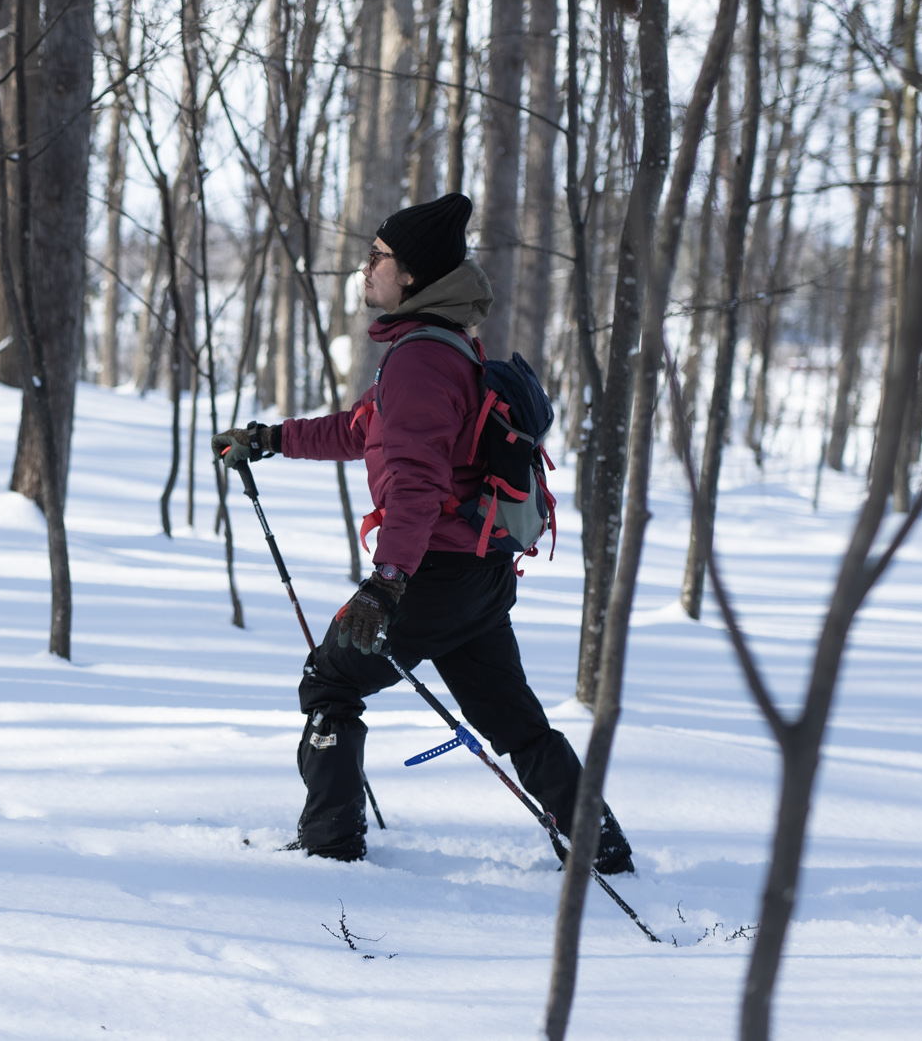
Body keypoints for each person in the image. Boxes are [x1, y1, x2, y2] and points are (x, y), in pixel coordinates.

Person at [212, 193, 634, 870]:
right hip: (477, 575)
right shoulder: (445, 348)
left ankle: (330, 841)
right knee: (516, 723)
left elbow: (413, 484)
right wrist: (271, 439)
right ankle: (601, 845)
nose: (366, 266)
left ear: (409, 274)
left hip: (428, 574)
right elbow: (363, 430)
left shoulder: (419, 360)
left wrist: (387, 585)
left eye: (377, 256)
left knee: (330, 682)